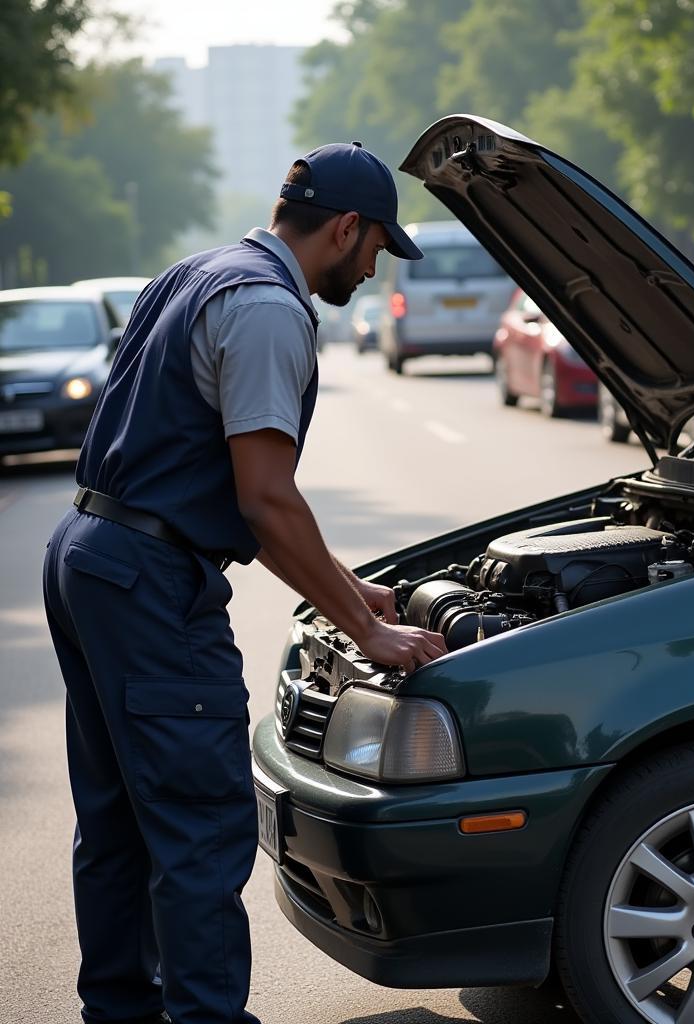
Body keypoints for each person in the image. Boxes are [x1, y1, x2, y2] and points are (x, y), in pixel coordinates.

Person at [42, 142, 447, 1024]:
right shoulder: (270, 308)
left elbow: (200, 473)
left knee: (116, 821)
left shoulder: (195, 274)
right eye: (378, 246)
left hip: (89, 550)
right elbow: (263, 498)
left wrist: (348, 591)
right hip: (150, 579)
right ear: (344, 227)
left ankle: (119, 1011)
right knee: (198, 823)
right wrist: (372, 635)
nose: (376, 268)